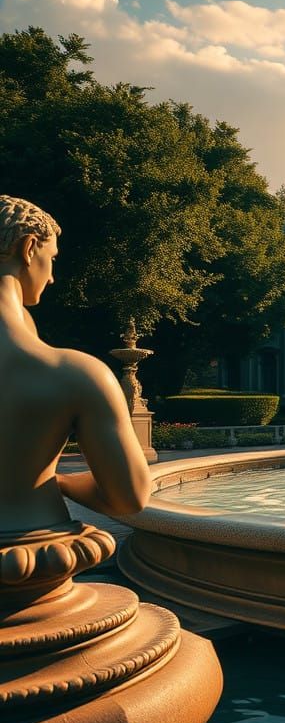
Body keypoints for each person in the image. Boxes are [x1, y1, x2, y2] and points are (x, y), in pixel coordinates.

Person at [0, 196, 150, 530]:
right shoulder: (78, 376)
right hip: (32, 558)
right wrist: (60, 480)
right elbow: (130, 497)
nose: (52, 277)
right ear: (28, 249)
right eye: (51, 258)